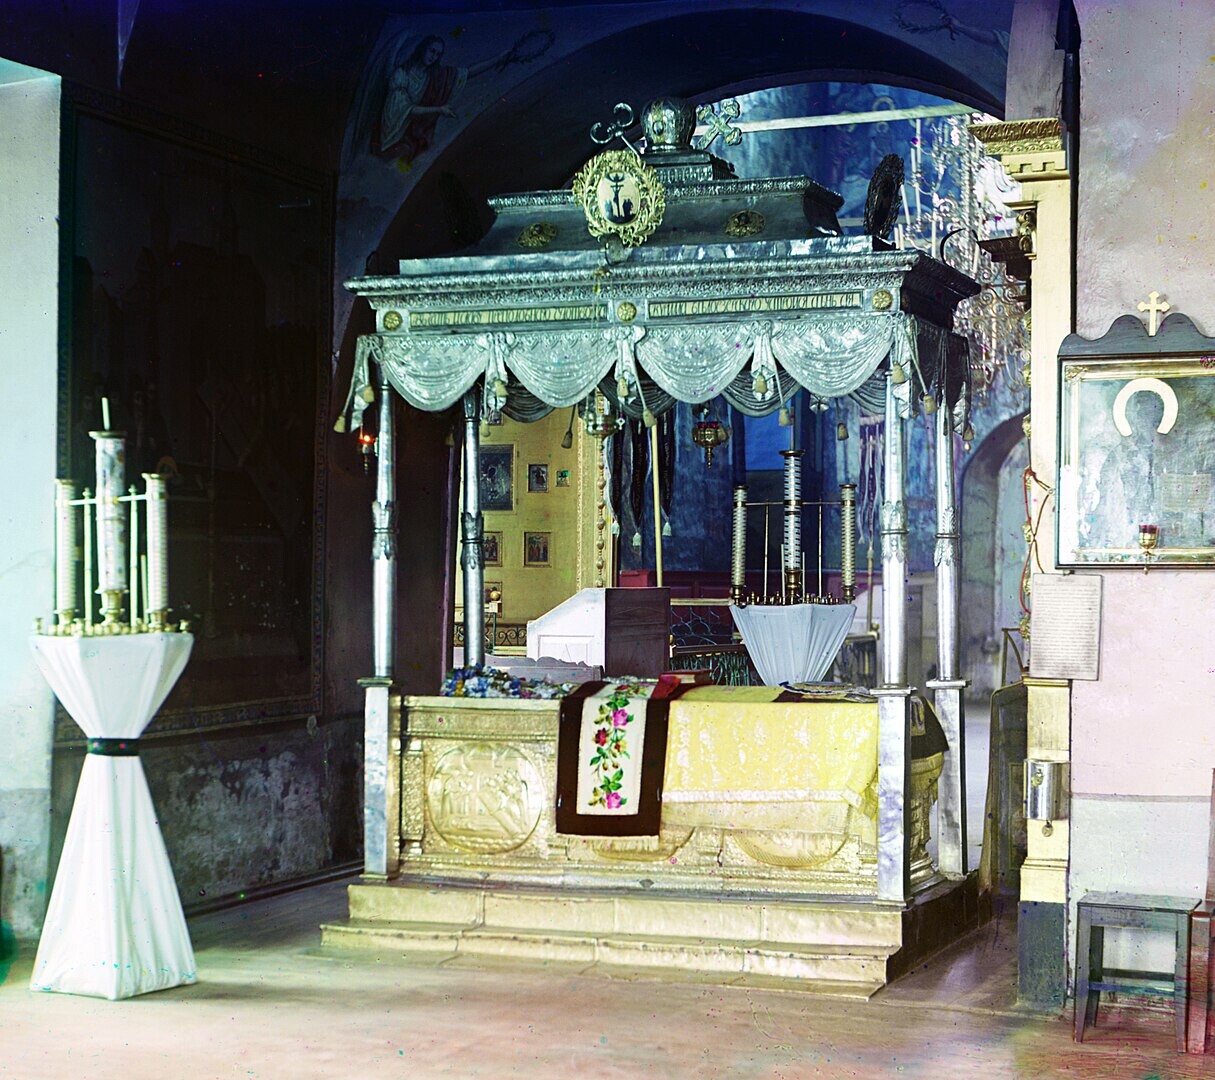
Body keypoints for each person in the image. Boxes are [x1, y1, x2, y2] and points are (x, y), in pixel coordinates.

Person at [374, 35, 513, 165]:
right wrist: (439, 110)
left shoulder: (435, 76)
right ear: (423, 48)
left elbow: (468, 72)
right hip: (392, 132)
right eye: (432, 51)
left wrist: (498, 59)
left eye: (438, 54)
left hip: (410, 132)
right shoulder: (401, 75)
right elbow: (406, 110)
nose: (433, 57)